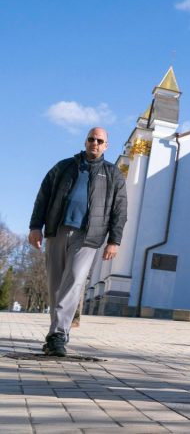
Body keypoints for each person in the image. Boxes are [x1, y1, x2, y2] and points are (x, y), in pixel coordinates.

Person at [28, 127, 127, 357]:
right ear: (85, 141)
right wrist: (35, 227)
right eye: (91, 139)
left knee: (73, 282)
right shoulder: (64, 167)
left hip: (88, 236)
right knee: (55, 285)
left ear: (106, 146)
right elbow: (43, 197)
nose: (95, 143)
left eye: (99, 140)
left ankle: (58, 335)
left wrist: (114, 240)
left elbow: (119, 210)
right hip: (56, 230)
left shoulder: (113, 174)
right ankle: (57, 333)